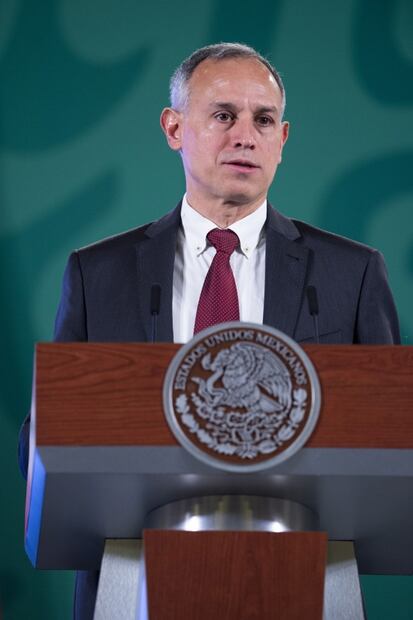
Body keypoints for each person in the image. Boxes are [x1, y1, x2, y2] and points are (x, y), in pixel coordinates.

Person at [19, 42, 400, 619]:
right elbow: (45, 439)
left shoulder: (353, 271)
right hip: (132, 579)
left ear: (282, 139)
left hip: (303, 576)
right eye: (224, 115)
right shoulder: (99, 273)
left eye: (263, 120)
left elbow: (392, 436)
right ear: (174, 128)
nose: (245, 136)